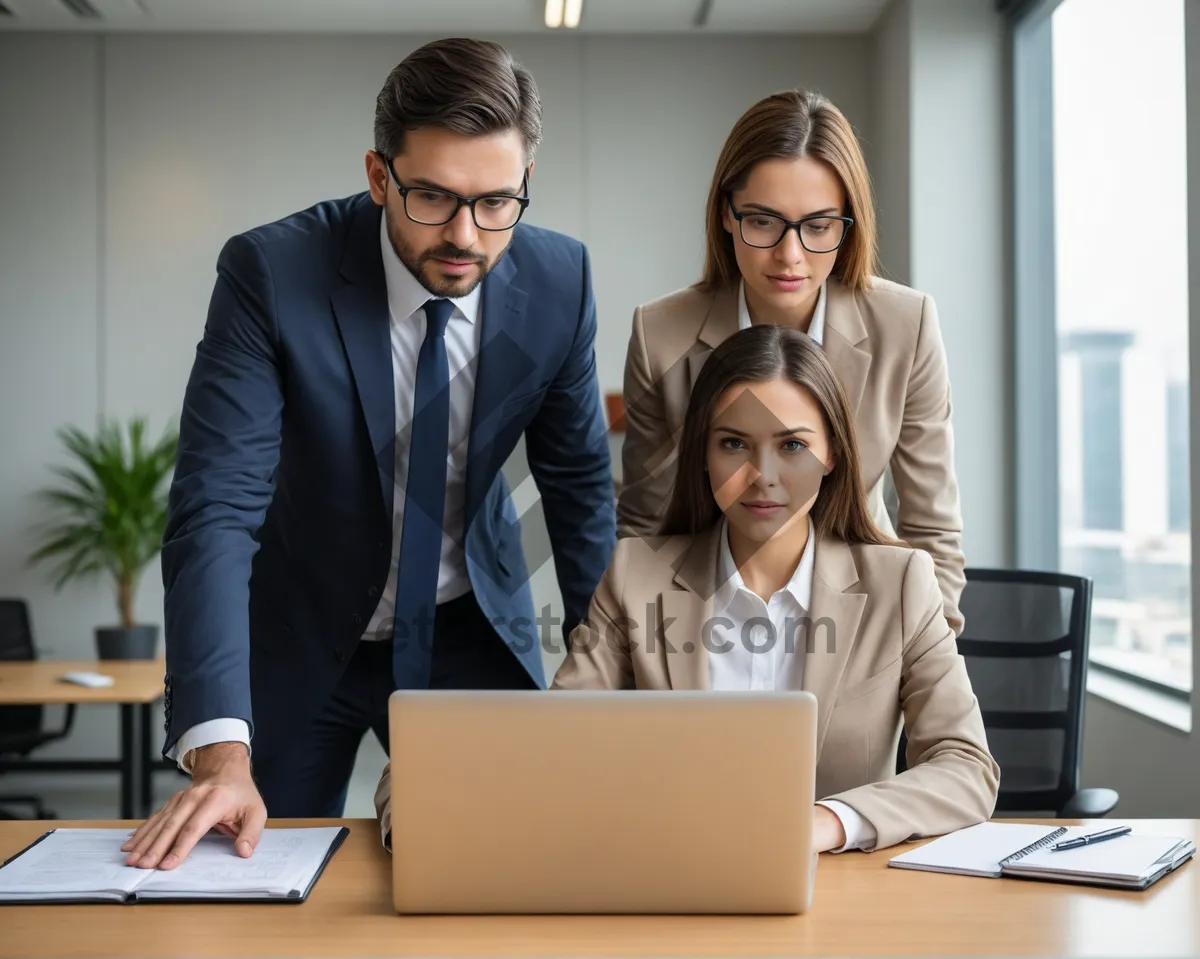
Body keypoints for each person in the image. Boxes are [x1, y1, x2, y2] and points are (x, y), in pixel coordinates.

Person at [123, 37, 616, 870]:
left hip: (470, 629)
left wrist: (615, 683)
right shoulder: (272, 273)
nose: (467, 236)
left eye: (498, 201)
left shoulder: (559, 279)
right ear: (379, 175)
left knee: (501, 872)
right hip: (299, 630)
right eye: (433, 197)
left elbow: (578, 492)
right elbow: (218, 505)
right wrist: (219, 752)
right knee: (245, 868)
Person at [546, 326, 994, 854]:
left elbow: (966, 768)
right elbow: (560, 747)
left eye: (793, 445)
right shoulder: (635, 575)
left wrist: (827, 822)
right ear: (704, 453)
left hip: (840, 896)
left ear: (833, 456)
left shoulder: (899, 584)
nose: (763, 476)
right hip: (670, 876)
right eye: (734, 443)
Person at [616, 88, 967, 634]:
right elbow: (645, 526)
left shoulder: (907, 324)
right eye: (763, 221)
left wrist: (920, 664)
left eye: (819, 227)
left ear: (848, 224)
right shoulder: (661, 333)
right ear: (727, 215)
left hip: (861, 626)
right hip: (710, 624)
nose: (790, 255)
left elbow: (931, 530)